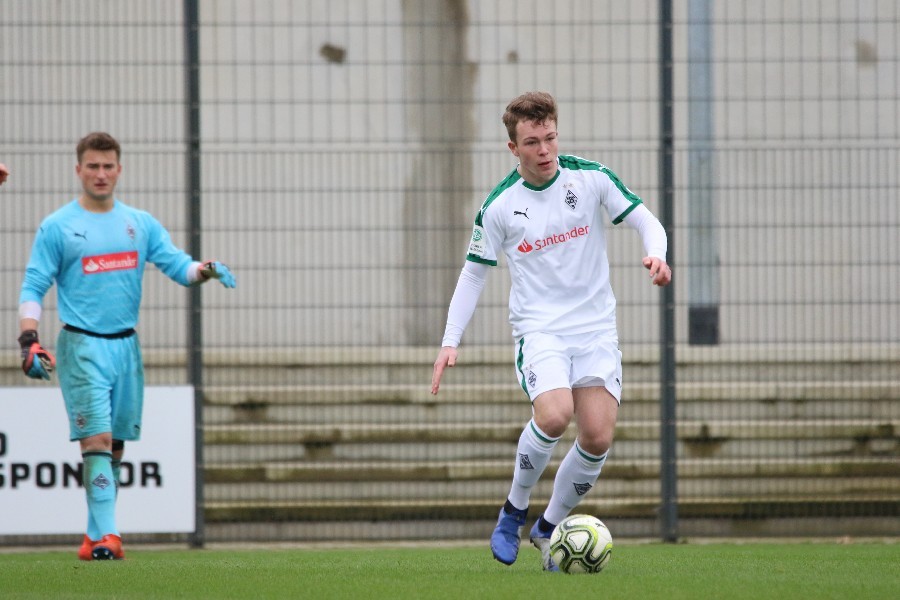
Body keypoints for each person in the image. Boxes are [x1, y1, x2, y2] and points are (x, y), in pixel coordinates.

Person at [430, 92, 671, 571]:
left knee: (598, 437)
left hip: (596, 328)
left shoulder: (590, 178)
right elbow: (474, 273)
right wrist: (450, 341)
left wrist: (658, 254)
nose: (544, 150)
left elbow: (646, 219)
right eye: (533, 142)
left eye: (550, 138)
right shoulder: (500, 207)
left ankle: (546, 528)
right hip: (540, 331)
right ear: (513, 148)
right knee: (556, 414)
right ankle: (513, 512)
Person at [17, 132, 236, 561]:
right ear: (78, 170)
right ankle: (110, 537)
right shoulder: (58, 225)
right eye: (93, 166)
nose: (101, 174)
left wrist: (204, 269)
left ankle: (93, 536)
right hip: (81, 346)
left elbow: (177, 265)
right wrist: (29, 338)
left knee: (114, 446)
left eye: (108, 166)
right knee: (95, 440)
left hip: (126, 347)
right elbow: (34, 284)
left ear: (120, 169)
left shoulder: (139, 222)